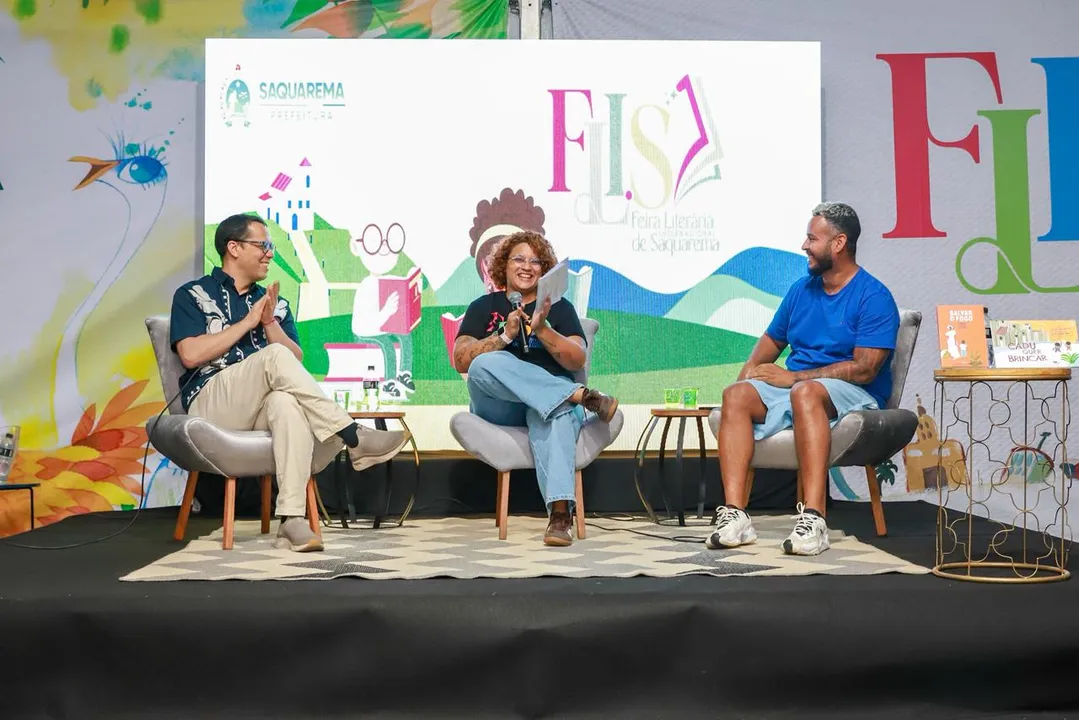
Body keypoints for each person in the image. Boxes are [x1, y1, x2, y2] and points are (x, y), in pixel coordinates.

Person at [170, 213, 408, 553]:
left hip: (259, 403)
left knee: (286, 402)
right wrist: (248, 321)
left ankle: (292, 521)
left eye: (271, 246)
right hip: (212, 402)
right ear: (233, 248)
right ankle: (353, 435)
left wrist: (268, 323)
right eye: (262, 245)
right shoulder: (193, 294)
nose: (270, 253)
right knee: (273, 358)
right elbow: (191, 355)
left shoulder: (275, 303)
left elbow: (293, 360)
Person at [707, 202, 899, 556]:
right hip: (798, 387)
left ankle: (815, 519)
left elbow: (865, 368)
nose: (804, 246)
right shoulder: (801, 291)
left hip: (854, 392)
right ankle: (735, 517)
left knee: (806, 392)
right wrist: (746, 381)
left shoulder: (873, 296)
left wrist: (794, 377)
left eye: (812, 238)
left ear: (838, 243)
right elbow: (766, 348)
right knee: (735, 395)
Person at [453, 230, 618, 547]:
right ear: (504, 265)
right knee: (484, 364)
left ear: (545, 270)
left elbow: (576, 358)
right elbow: (461, 360)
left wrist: (542, 329)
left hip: (545, 405)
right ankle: (580, 396)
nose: (526, 266)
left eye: (535, 261)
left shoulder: (560, 308)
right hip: (499, 407)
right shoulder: (483, 307)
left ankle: (559, 516)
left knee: (555, 411)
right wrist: (503, 337)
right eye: (518, 258)